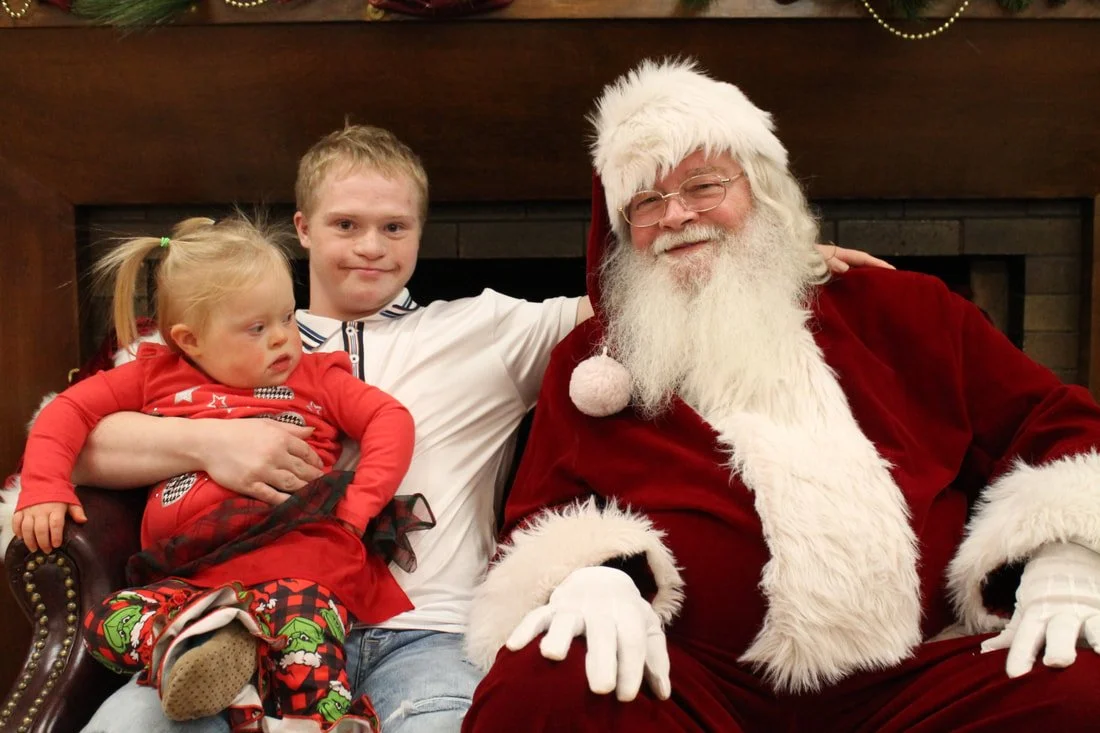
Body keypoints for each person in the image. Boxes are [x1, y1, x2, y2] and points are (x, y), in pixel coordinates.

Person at [60, 124, 883, 733]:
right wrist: (211, 441)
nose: (372, 248)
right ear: (305, 229)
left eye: (395, 228)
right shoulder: (219, 340)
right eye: (347, 225)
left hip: (430, 630)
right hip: (236, 621)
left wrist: (785, 257)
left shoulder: (490, 329)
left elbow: (653, 294)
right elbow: (81, 443)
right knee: (123, 728)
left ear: (422, 231)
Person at [462, 59, 1100, 733]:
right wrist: (592, 576)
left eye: (703, 186)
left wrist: (1065, 551)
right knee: (544, 683)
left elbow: (1055, 422)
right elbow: (540, 514)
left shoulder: (907, 310)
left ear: (761, 192)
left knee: (1081, 686)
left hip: (918, 684)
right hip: (689, 682)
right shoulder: (592, 360)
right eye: (645, 202)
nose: (676, 215)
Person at [13, 215, 419, 732]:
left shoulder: (315, 377)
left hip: (295, 564)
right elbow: (65, 412)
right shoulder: (153, 375)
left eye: (287, 318)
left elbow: (390, 419)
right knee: (107, 621)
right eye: (257, 328)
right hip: (190, 580)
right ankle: (203, 641)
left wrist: (358, 507)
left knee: (305, 653)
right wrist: (44, 486)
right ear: (191, 340)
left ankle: (321, 718)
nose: (283, 340)